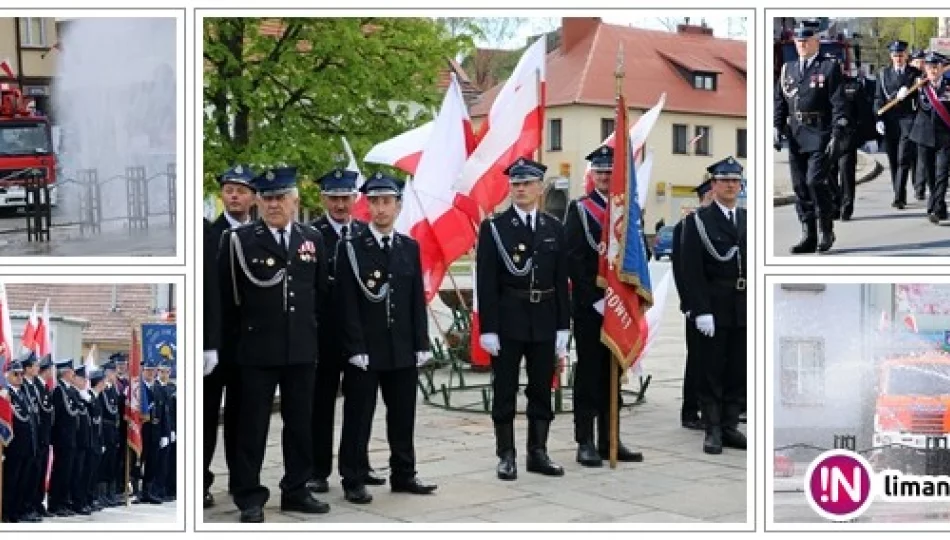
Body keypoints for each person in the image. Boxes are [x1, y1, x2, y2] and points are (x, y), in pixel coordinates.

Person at [219, 166, 331, 522]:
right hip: (257, 350)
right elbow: (228, 299)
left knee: (300, 424)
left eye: (280, 198)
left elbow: (320, 295)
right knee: (251, 427)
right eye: (267, 198)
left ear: (295, 201)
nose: (273, 205)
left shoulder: (311, 238)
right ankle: (249, 496)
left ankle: (296, 489)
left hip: (300, 348)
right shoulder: (239, 241)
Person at [337, 171, 438, 503]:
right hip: (366, 349)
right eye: (375, 202)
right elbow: (347, 302)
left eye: (387, 202)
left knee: (403, 415)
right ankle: (352, 477)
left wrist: (421, 342)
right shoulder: (352, 248)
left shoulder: (408, 246)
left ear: (398, 206)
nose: (381, 209)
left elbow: (414, 301)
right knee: (358, 416)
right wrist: (354, 347)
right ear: (367, 206)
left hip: (401, 347)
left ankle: (404, 473)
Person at [476, 157, 571, 480]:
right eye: (515, 184)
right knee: (504, 389)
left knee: (541, 387)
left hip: (544, 318)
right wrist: (488, 328)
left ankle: (538, 452)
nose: (520, 189)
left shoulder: (553, 228)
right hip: (508, 319)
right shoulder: (495, 228)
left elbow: (561, 281)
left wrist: (563, 326)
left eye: (527, 183)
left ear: (540, 188)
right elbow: (485, 281)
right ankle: (506, 454)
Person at [564, 145, 643, 467]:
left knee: (615, 373)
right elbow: (573, 258)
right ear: (591, 176)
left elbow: (638, 257)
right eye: (600, 172)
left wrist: (630, 293)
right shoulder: (580, 210)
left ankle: (611, 438)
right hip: (591, 308)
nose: (605, 177)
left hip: (620, 307)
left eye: (610, 172)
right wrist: (596, 299)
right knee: (589, 375)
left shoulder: (630, 210)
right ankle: (585, 441)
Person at [308, 168, 384, 497]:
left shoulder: (366, 234)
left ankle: (358, 463)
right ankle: (317, 470)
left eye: (346, 198)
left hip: (360, 336)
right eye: (334, 198)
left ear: (355, 199)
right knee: (320, 406)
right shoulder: (310, 235)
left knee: (361, 405)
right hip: (323, 334)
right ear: (323, 199)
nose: (340, 204)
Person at [679, 157, 748, 455]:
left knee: (738, 368)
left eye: (735, 180)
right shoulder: (698, 222)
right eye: (724, 180)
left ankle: (731, 424)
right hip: (714, 304)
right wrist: (699, 308)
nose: (730, 185)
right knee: (711, 369)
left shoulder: (748, 219)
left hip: (743, 305)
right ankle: (713, 428)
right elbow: (690, 269)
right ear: (714, 184)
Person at [204, 165, 256, 507]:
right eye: (229, 189)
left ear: (253, 196)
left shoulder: (260, 234)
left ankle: (241, 481)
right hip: (215, 341)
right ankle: (200, 481)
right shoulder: (210, 233)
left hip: (249, 343)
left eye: (241, 189)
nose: (234, 195)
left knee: (243, 416)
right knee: (206, 416)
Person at [774, 19, 848, 254]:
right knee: (800, 186)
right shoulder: (789, 69)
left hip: (820, 132)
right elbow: (780, 102)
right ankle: (808, 234)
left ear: (816, 42)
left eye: (806, 41)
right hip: (796, 134)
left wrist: (838, 131)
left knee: (815, 181)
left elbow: (838, 103)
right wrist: (776, 127)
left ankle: (826, 229)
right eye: (799, 41)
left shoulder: (829, 67)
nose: (802, 45)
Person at [671, 178, 715, 431]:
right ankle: (690, 410)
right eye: (708, 196)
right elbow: (682, 270)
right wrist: (688, 303)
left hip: (721, 304)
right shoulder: (687, 226)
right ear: (702, 199)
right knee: (697, 360)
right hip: (696, 306)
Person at [873, 40, 921, 209]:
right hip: (889, 120)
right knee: (893, 159)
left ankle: (900, 197)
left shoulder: (914, 74)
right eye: (895, 55)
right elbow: (878, 98)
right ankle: (897, 191)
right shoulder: (883, 74)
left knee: (903, 158)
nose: (898, 58)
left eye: (901, 55)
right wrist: (878, 118)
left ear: (906, 55)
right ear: (891, 56)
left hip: (907, 120)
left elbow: (921, 97)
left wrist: (908, 89)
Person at [830, 64, 876, 220]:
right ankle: (834, 204)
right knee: (829, 173)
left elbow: (864, 113)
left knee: (846, 173)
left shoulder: (853, 86)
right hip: (827, 136)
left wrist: (870, 137)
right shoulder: (821, 86)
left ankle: (846, 206)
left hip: (847, 137)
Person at [908, 52, 950, 225]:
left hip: (945, 137)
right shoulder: (918, 85)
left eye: (936, 67)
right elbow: (906, 105)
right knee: (930, 174)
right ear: (924, 68)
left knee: (942, 173)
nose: (933, 70)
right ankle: (939, 206)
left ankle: (934, 206)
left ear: (942, 68)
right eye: (929, 67)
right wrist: (906, 93)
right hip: (924, 136)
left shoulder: (948, 86)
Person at [1, 360, 39, 523]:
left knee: (23, 480)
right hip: (14, 446)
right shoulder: (5, 395)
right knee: (11, 480)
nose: (20, 377)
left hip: (27, 445)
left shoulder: (23, 393)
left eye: (21, 374)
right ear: (7, 375)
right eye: (15, 374)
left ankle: (18, 510)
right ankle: (7, 512)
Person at [48, 359, 80, 516]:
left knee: (68, 471)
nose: (74, 374)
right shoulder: (59, 390)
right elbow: (60, 416)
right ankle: (56, 503)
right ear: (66, 372)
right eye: (72, 371)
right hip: (62, 437)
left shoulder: (69, 390)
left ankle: (64, 501)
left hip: (71, 436)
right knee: (61, 471)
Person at [26, 353, 55, 518]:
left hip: (44, 437)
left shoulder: (43, 387)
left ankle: (37, 504)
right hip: (37, 437)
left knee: (41, 472)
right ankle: (30, 505)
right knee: (33, 474)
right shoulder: (34, 386)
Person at [98, 359, 122, 507]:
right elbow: (104, 411)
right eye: (112, 372)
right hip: (105, 430)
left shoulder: (113, 390)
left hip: (113, 430)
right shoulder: (103, 390)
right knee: (104, 463)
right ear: (107, 374)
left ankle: (110, 493)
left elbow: (116, 411)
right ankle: (101, 494)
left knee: (113, 462)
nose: (115, 375)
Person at [158, 360, 177, 501]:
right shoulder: (156, 387)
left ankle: (170, 489)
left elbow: (173, 412)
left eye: (167, 372)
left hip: (171, 429)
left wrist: (173, 429)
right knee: (161, 462)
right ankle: (160, 489)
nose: (164, 374)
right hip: (159, 430)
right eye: (162, 371)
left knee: (170, 462)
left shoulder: (172, 388)